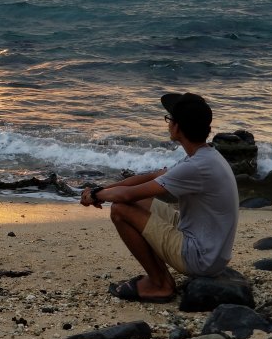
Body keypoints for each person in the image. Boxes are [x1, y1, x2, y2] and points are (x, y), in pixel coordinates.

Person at [80, 92, 239, 303]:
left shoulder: (197, 166)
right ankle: (159, 279)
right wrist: (102, 189)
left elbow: (127, 195)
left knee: (120, 209)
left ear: (177, 127)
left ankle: (160, 284)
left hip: (201, 258)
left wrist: (94, 195)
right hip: (208, 246)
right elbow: (150, 177)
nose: (168, 124)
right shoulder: (205, 155)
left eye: (169, 119)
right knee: (134, 202)